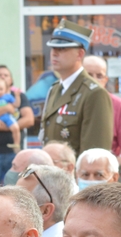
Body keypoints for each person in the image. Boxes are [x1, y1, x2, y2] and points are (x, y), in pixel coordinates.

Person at [39, 19, 113, 154]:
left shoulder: (94, 93)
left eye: (62, 49)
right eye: (53, 48)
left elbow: (94, 155)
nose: (54, 53)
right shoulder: (55, 89)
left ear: (80, 54)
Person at [0, 65, 34, 189]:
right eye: (0, 75)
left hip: (15, 152)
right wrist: (6, 108)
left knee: (16, 190)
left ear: (11, 80)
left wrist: (7, 126)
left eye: (6, 75)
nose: (3, 77)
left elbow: (29, 119)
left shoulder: (19, 96)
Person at [83, 55, 121, 176]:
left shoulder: (119, 106)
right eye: (89, 75)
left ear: (106, 80)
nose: (94, 80)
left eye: (99, 76)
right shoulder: (69, 104)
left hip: (106, 179)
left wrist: (104, 169)